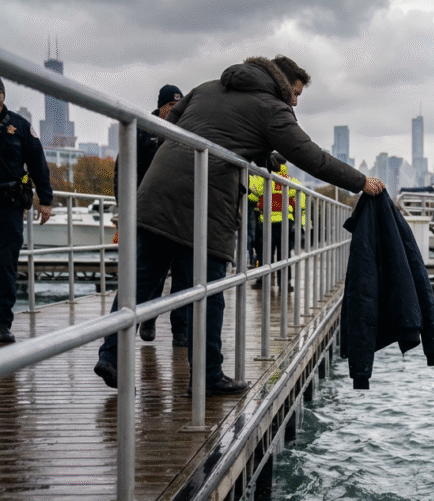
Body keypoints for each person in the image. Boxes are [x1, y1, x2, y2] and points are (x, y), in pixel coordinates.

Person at [93, 55, 384, 394]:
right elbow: (311, 156)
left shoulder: (205, 89)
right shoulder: (272, 109)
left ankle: (110, 355)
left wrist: (255, 154)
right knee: (209, 292)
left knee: (140, 279)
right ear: (281, 83)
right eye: (296, 92)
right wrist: (361, 181)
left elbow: (180, 123)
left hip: (157, 191)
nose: (295, 101)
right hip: (206, 203)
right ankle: (207, 377)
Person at [113, 84, 189, 347]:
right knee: (150, 270)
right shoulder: (142, 130)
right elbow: (123, 171)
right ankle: (148, 318)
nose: (172, 112)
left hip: (178, 212)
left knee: (183, 273)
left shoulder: (185, 131)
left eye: (177, 108)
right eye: (169, 107)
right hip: (147, 211)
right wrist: (124, 208)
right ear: (160, 107)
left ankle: (181, 329)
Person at [0, 77, 54, 345]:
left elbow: (37, 163)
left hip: (8, 206)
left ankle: (2, 324)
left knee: (6, 265)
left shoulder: (19, 127)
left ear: (2, 96)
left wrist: (45, 199)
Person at [248, 152, 305, 289]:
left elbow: (252, 198)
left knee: (264, 254)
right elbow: (301, 204)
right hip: (286, 224)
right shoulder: (292, 182)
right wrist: (301, 225)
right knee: (284, 255)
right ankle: (285, 284)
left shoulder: (263, 179)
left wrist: (256, 209)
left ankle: (262, 281)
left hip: (267, 224)